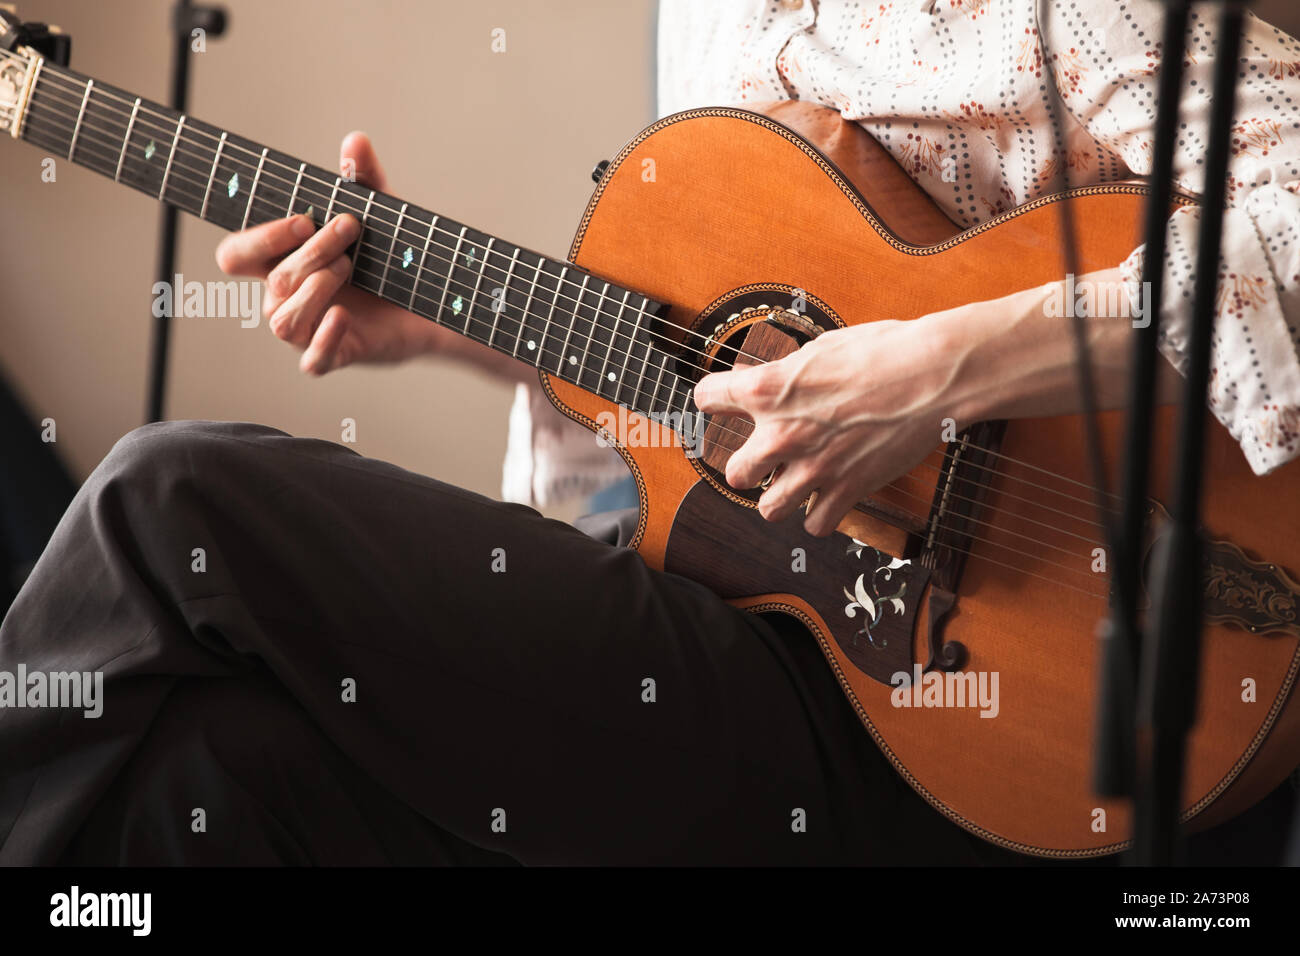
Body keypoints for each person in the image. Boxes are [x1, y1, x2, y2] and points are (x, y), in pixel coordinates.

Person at [2, 0, 1298, 865]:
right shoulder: (736, 30)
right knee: (208, 782)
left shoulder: (1080, 18)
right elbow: (713, 393)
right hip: (765, 630)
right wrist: (441, 328)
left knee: (171, 499)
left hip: (990, 713)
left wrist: (933, 370)